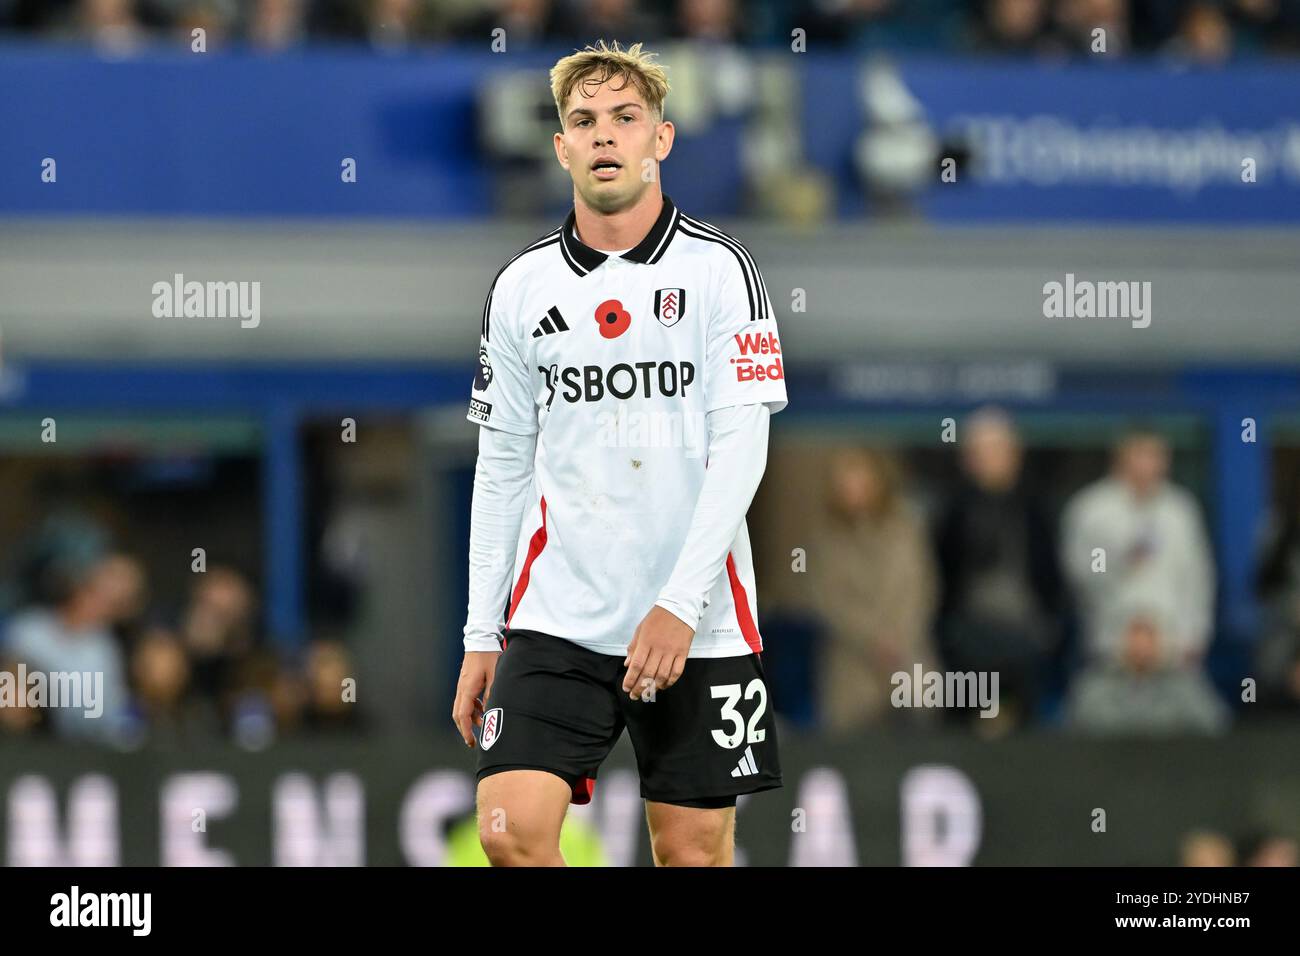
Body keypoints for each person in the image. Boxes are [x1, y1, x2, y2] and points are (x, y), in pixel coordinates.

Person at [452, 41, 787, 867]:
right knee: (510, 832)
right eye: (584, 121)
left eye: (625, 119)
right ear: (561, 148)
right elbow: (500, 467)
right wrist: (480, 630)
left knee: (693, 853)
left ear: (661, 140)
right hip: (558, 615)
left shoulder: (721, 272)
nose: (605, 136)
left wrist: (678, 603)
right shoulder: (522, 288)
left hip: (699, 619)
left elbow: (742, 450)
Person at [934, 408, 1062, 730]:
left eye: (998, 450)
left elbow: (1052, 579)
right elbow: (941, 580)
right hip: (967, 638)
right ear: (968, 459)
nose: (990, 460)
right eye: (981, 452)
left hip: (1026, 634)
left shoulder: (1037, 509)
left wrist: (1047, 626)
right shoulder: (953, 512)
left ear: (1015, 454)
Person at [1061, 427, 1215, 668]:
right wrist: (1118, 562)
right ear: (1120, 458)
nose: (1148, 464)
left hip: (1173, 643)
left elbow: (1197, 577)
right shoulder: (1093, 509)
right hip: (1110, 642)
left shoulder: (1180, 509)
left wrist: (1195, 634)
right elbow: (1083, 573)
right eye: (1140, 455)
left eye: (1155, 456)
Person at [809, 447, 937, 731]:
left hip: (908, 654)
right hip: (852, 662)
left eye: (860, 478)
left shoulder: (906, 529)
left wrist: (898, 638)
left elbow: (922, 588)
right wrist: (874, 642)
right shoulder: (825, 540)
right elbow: (828, 601)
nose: (853, 488)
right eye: (844, 481)